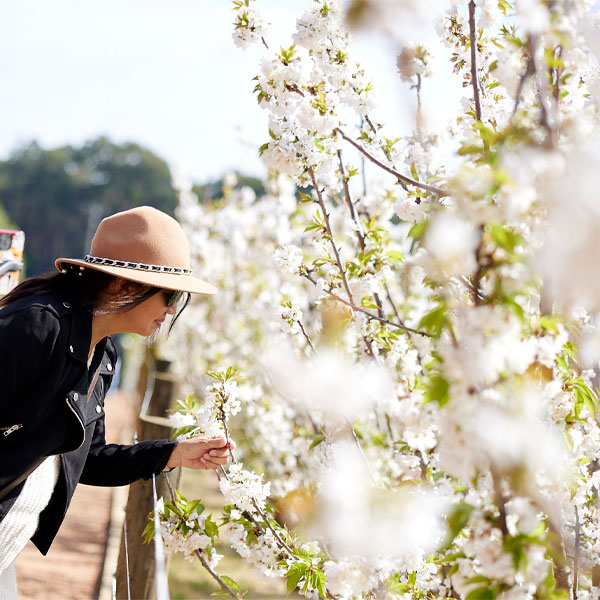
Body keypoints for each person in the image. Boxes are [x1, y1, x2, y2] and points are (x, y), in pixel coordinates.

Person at [0, 206, 233, 598]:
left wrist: (173, 453)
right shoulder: (36, 327)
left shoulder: (103, 354)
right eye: (169, 294)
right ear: (124, 286)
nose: (171, 309)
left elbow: (90, 458)